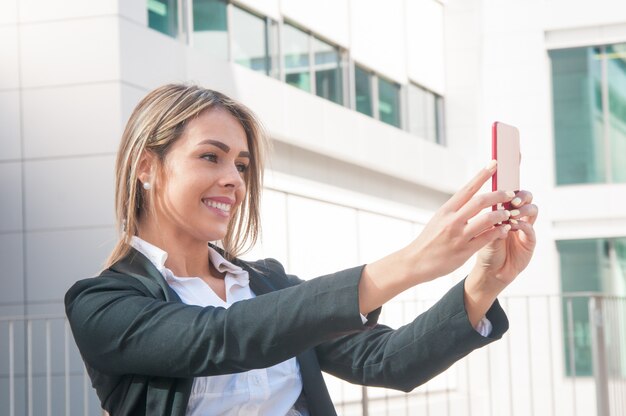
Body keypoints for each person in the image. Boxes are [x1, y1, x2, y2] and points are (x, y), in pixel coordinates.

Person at [65, 84, 538, 416]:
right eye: (211, 156)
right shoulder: (103, 305)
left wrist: (484, 282)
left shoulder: (267, 284)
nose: (233, 178)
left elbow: (389, 360)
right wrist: (412, 262)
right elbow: (223, 338)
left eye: (243, 165)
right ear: (147, 166)